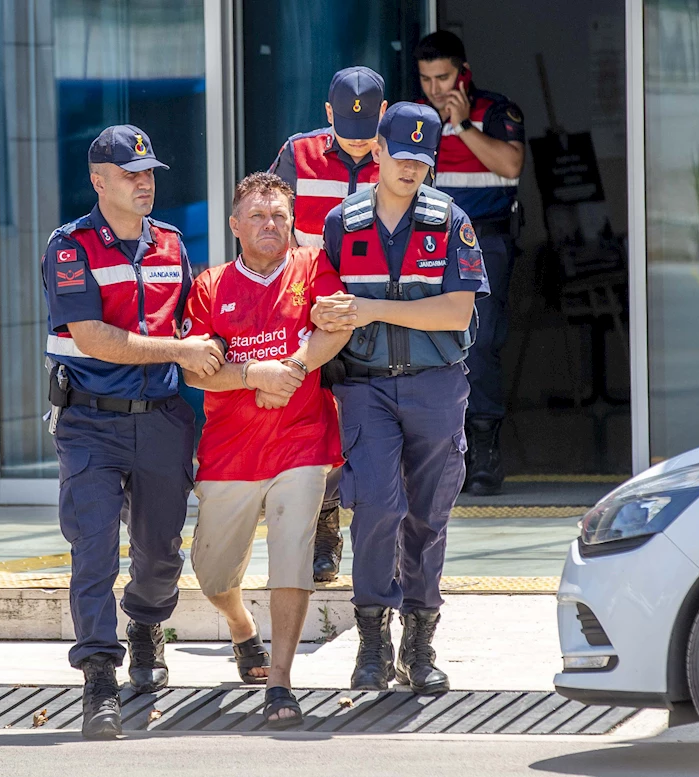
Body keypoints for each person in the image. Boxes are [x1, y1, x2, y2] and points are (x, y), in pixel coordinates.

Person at [41, 125, 225, 739]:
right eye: (130, 174)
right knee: (93, 552)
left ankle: (145, 623)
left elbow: (201, 328)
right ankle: (99, 677)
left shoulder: (172, 244)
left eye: (149, 173)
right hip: (89, 422)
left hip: (163, 421)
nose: (144, 183)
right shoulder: (70, 248)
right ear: (100, 181)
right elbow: (93, 339)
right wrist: (179, 347)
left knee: (159, 555)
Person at [313, 102, 489, 694]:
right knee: (377, 511)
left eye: (422, 158)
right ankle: (371, 642)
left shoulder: (450, 221)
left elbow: (457, 309)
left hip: (435, 385)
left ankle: (420, 643)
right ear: (378, 152)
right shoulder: (343, 222)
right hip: (364, 388)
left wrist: (375, 309)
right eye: (401, 155)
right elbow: (326, 302)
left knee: (427, 517)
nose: (411, 168)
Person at [182, 172, 351, 728]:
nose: (270, 224)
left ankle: (280, 683)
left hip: (301, 441)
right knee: (211, 574)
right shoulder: (209, 286)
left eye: (279, 214)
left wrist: (297, 368)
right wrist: (255, 374)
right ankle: (239, 626)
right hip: (229, 451)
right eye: (257, 215)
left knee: (292, 552)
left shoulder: (313, 265)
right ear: (235, 226)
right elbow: (200, 372)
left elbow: (337, 327)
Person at [269, 66, 386, 582]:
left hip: (382, 315)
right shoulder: (297, 155)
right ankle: (324, 525)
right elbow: (270, 228)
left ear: (383, 115)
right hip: (311, 312)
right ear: (327, 115)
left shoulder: (399, 155)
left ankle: (382, 540)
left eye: (367, 138)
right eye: (346, 135)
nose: (358, 148)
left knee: (376, 423)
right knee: (317, 422)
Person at [415, 30, 525, 496]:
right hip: (424, 244)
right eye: (426, 80)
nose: (436, 89)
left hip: (483, 241)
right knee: (424, 344)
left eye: (443, 77)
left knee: (478, 346)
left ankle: (484, 452)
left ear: (464, 73)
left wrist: (461, 127)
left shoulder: (497, 111)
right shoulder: (415, 119)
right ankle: (439, 454)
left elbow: (511, 165)